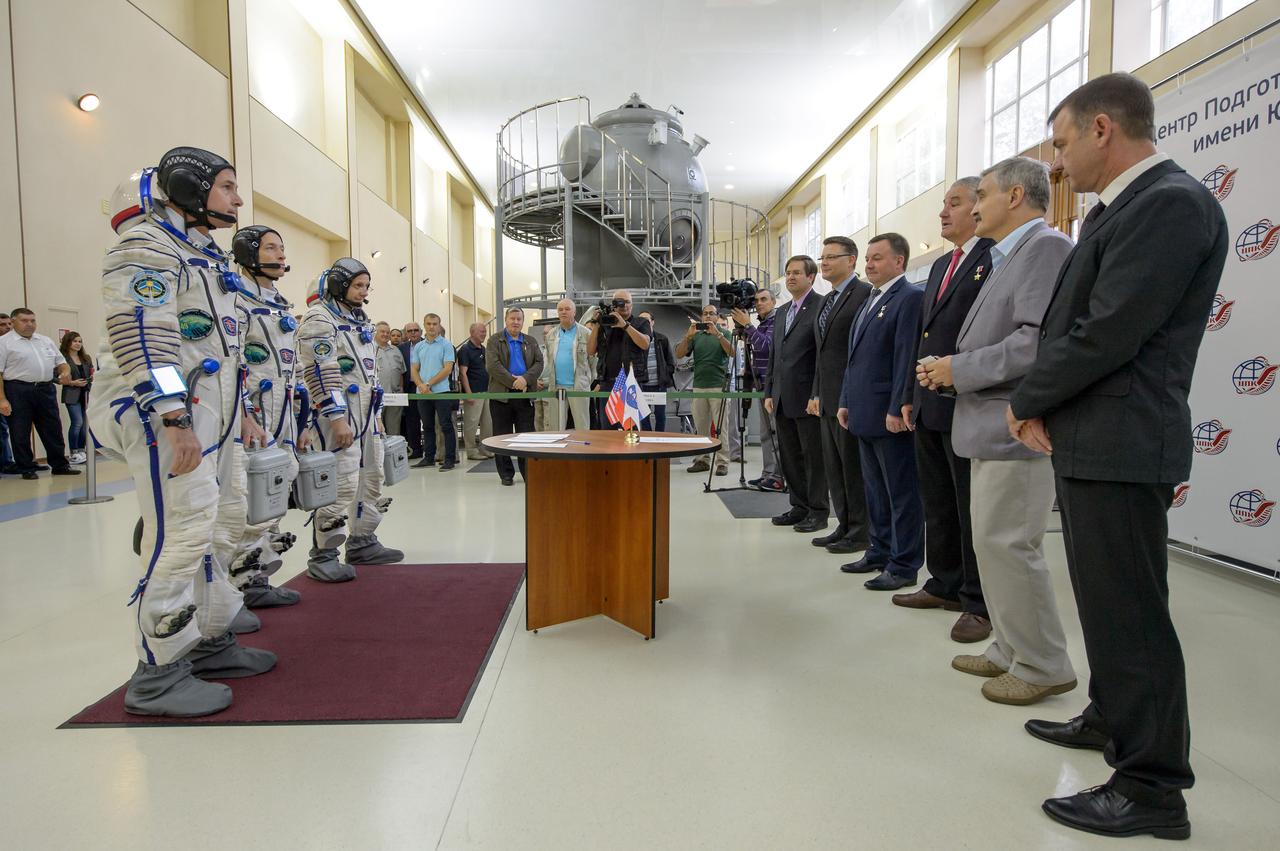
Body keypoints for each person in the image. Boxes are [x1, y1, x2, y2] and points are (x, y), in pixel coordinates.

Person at [1006, 73, 1226, 841]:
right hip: (1096, 437)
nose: (1056, 163)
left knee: (1132, 615)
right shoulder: (1121, 209)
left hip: (1124, 439)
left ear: (1103, 128)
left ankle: (1152, 785)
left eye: (1061, 143)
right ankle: (1112, 715)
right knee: (1106, 602)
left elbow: (1108, 329)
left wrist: (1028, 397)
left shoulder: (1170, 203)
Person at [87, 151, 274, 717]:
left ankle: (209, 637)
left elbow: (225, 349)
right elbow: (143, 335)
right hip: (162, 413)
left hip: (213, 414)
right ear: (189, 187)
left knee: (225, 521)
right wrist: (172, 415)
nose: (237, 199)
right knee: (185, 531)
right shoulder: (146, 246)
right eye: (227, 187)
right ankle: (158, 671)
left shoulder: (205, 258)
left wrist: (241, 411)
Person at [922, 157, 1078, 707]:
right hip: (987, 424)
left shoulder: (1045, 248)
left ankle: (1042, 664)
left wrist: (957, 369)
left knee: (1011, 544)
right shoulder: (1009, 255)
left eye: (981, 195)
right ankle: (1011, 647)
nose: (974, 206)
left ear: (1014, 197)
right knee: (991, 545)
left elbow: (1036, 343)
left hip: (1016, 425)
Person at [893, 178, 995, 644]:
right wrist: (911, 392)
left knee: (970, 505)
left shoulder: (993, 257)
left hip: (969, 399)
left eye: (954, 203)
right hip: (930, 400)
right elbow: (925, 334)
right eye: (943, 203)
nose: (943, 212)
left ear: (979, 206)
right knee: (938, 501)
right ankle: (944, 583)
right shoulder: (940, 265)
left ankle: (978, 600)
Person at [298, 257, 403, 581]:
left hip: (366, 417)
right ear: (339, 285)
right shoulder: (319, 319)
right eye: (358, 285)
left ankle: (362, 541)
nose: (363, 291)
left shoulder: (359, 323)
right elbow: (319, 371)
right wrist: (336, 418)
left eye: (366, 286)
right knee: (341, 483)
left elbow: (369, 375)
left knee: (371, 479)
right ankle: (324, 554)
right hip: (340, 418)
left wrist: (377, 416)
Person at [837, 233, 924, 591]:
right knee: (874, 491)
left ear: (899, 261)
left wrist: (897, 406)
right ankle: (879, 550)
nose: (869, 264)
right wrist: (845, 399)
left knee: (901, 493)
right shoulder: (871, 299)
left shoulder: (909, 298)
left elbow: (906, 355)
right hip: (863, 411)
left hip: (889, 414)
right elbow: (854, 358)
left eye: (877, 258)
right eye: (868, 258)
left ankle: (903, 565)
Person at [224, 224, 305, 608]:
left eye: (282, 248)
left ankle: (257, 576)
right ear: (249, 253)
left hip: (281, 415)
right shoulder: (234, 300)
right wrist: (244, 413)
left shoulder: (280, 305)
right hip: (253, 415)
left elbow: (294, 369)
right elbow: (231, 362)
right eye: (271, 248)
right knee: (248, 496)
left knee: (275, 488)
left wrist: (302, 423)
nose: (281, 255)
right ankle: (240, 584)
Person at [808, 236, 871, 542]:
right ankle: (843, 524)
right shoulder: (826, 300)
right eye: (823, 257)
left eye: (832, 257)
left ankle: (860, 530)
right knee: (834, 468)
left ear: (851, 260)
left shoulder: (864, 294)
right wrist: (816, 393)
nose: (825, 263)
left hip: (851, 398)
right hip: (827, 398)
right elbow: (822, 353)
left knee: (853, 469)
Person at [765, 255, 828, 529]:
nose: (790, 277)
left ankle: (818, 511)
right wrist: (769, 391)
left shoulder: (821, 306)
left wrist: (817, 394)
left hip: (807, 398)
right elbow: (775, 355)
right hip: (781, 397)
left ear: (811, 277)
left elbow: (822, 356)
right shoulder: (782, 312)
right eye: (788, 272)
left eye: (797, 273)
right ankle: (799, 506)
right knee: (790, 457)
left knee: (813, 458)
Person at [0, 308, 79, 479]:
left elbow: (61, 362)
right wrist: (2, 399)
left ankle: (60, 465)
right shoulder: (4, 343)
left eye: (32, 320)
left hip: (45, 389)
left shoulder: (44, 340)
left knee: (53, 428)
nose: (29, 324)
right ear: (13, 322)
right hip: (17, 390)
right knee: (20, 430)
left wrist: (65, 372)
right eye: (24, 321)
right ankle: (26, 468)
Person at [486, 306, 543, 485]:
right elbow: (493, 366)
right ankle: (506, 474)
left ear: (523, 321)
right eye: (512, 318)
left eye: (519, 319)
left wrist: (525, 379)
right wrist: (514, 382)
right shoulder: (494, 340)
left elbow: (539, 363)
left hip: (525, 395)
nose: (516, 322)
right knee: (501, 437)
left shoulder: (531, 341)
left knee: (526, 437)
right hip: (501, 397)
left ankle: (528, 472)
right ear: (506, 320)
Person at [675, 303, 733, 475]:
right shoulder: (696, 335)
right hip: (699, 386)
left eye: (711, 313)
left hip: (719, 387)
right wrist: (688, 337)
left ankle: (722, 462)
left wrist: (718, 335)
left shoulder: (725, 333)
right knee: (701, 427)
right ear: (701, 316)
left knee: (721, 427)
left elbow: (732, 353)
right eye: (705, 313)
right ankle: (702, 460)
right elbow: (679, 354)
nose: (708, 316)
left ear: (717, 316)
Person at [732, 289, 780, 490]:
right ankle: (768, 474)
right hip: (761, 385)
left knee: (775, 433)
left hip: (773, 386)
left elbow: (766, 346)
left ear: (773, 302)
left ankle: (778, 477)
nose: (759, 303)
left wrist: (748, 325)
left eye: (764, 299)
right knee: (765, 433)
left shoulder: (776, 321)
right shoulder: (762, 324)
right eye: (756, 300)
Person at [586, 288, 650, 427]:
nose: (624, 305)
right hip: (607, 382)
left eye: (627, 302)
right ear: (613, 304)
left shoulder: (641, 323)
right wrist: (596, 324)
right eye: (620, 302)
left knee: (631, 427)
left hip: (631, 382)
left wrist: (625, 326)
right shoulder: (605, 324)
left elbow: (645, 344)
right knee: (607, 427)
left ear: (632, 305)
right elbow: (590, 351)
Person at [410, 313, 457, 471]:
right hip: (423, 393)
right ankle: (429, 458)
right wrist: (421, 385)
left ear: (439, 325)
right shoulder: (419, 346)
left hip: (441, 392)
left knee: (446, 426)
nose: (431, 326)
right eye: (428, 324)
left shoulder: (446, 345)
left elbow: (447, 369)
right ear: (424, 325)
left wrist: (428, 384)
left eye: (434, 324)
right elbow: (414, 369)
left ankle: (449, 460)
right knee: (427, 426)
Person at [543, 298, 591, 430]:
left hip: (578, 387)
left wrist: (587, 380)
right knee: (555, 427)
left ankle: (583, 444)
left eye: (567, 309)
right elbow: (549, 359)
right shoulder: (551, 335)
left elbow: (593, 361)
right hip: (556, 387)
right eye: (560, 309)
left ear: (574, 312)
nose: (563, 312)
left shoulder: (586, 334)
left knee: (582, 426)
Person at [456, 322, 493, 460]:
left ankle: (486, 448)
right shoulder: (465, 350)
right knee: (471, 423)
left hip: (486, 391)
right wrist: (468, 393)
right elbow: (463, 373)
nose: (484, 334)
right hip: (474, 392)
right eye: (481, 331)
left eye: (485, 331)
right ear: (472, 333)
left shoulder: (483, 349)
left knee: (487, 422)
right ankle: (471, 451)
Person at [636, 310, 676, 432]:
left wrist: (665, 375)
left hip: (659, 385)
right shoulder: (636, 339)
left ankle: (659, 438)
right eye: (641, 320)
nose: (644, 323)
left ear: (653, 322)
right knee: (643, 416)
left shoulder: (662, 339)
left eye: (647, 320)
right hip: (642, 385)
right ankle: (647, 438)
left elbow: (670, 361)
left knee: (660, 415)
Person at [58, 330, 93, 465]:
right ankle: (74, 452)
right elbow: (55, 377)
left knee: (85, 424)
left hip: (86, 393)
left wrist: (91, 378)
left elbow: (91, 371)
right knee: (77, 422)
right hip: (71, 393)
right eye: (75, 341)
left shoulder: (86, 358)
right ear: (68, 342)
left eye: (80, 341)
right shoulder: (62, 359)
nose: (78, 344)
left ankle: (81, 450)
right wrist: (72, 382)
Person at [374, 322, 406, 440]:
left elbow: (401, 372)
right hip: (376, 397)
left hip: (394, 397)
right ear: (375, 333)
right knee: (377, 430)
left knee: (394, 431)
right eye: (382, 332)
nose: (385, 334)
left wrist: (401, 390)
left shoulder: (396, 350)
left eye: (387, 332)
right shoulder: (369, 348)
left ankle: (394, 451)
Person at [397, 321, 424, 458]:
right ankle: (416, 450)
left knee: (428, 420)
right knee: (412, 421)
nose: (413, 333)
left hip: (426, 387)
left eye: (415, 330)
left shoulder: (428, 345)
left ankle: (431, 451)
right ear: (406, 334)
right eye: (409, 331)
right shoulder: (401, 348)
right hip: (410, 387)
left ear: (421, 332)